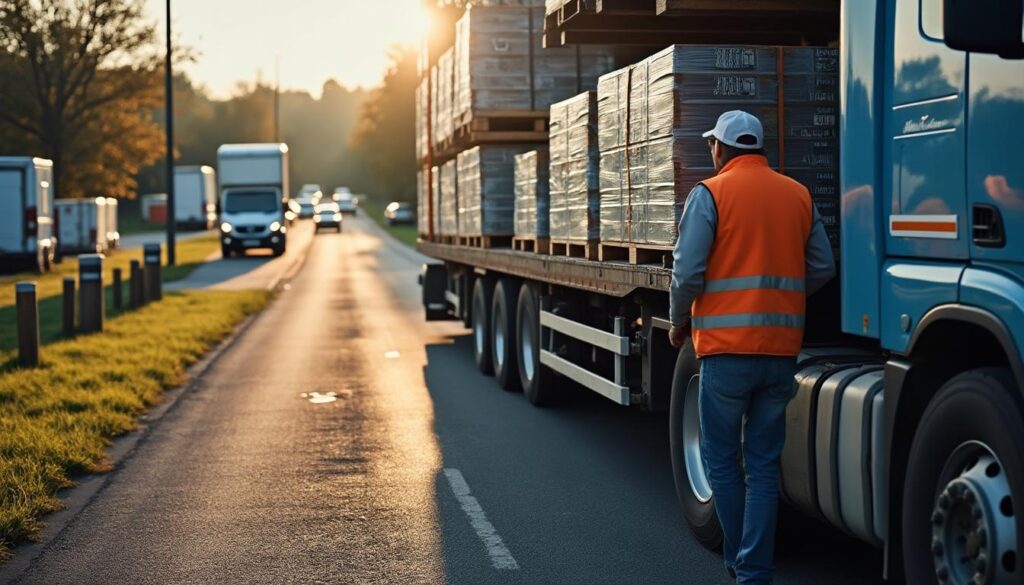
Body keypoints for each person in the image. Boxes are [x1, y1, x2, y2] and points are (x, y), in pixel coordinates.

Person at [667, 110, 836, 585]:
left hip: (724, 354)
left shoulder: (710, 195)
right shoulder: (797, 195)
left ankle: (739, 565)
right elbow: (821, 267)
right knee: (763, 465)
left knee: (722, 460)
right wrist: (779, 298)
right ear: (759, 148)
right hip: (781, 354)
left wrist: (680, 322)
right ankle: (755, 571)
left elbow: (687, 273)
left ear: (720, 149)